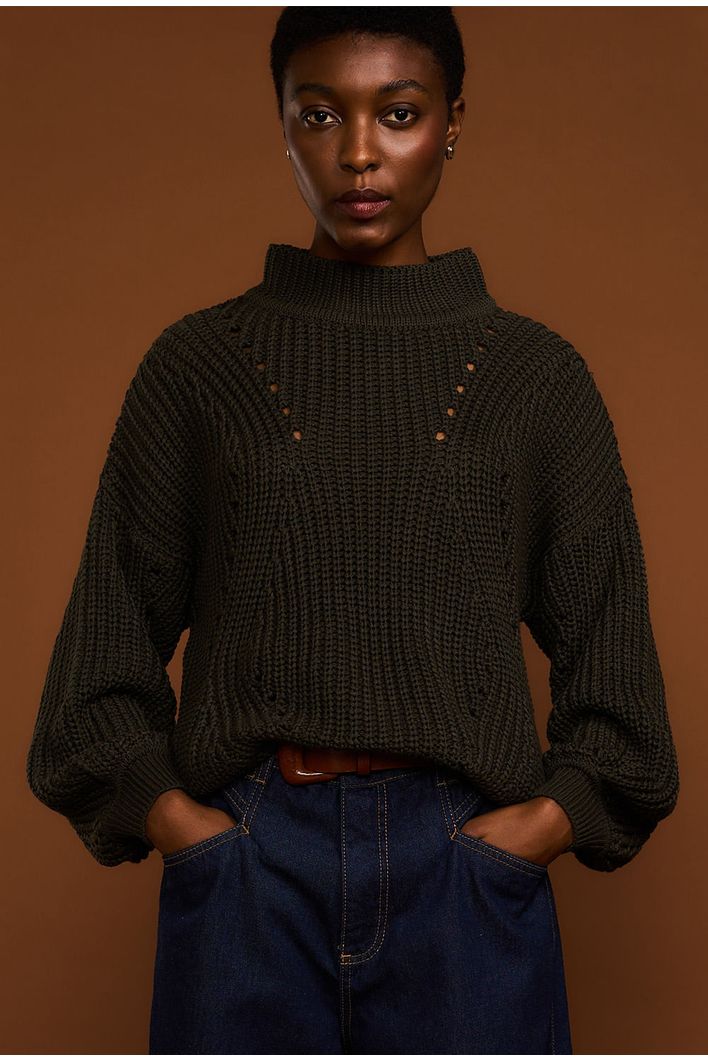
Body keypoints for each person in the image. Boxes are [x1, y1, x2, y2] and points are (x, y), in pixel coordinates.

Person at [26, 7, 680, 1055]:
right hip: (247, 869)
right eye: (321, 114)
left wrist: (530, 835)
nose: (359, 153)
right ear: (283, 124)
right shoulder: (201, 368)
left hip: (465, 878)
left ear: (453, 123)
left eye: (400, 113)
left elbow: (621, 698)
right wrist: (187, 831)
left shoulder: (534, 378)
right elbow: (96, 675)